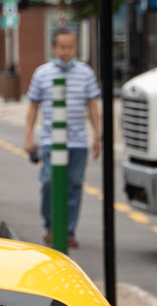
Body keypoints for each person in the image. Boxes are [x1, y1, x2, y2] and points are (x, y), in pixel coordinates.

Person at [22, 24, 101, 252]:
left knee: (74, 186)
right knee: (49, 182)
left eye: (71, 47)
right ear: (54, 48)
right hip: (50, 139)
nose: (66, 52)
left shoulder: (85, 73)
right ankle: (50, 226)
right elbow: (32, 107)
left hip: (77, 141)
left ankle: (67, 231)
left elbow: (93, 106)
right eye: (62, 47)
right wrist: (29, 137)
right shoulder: (42, 73)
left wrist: (98, 135)